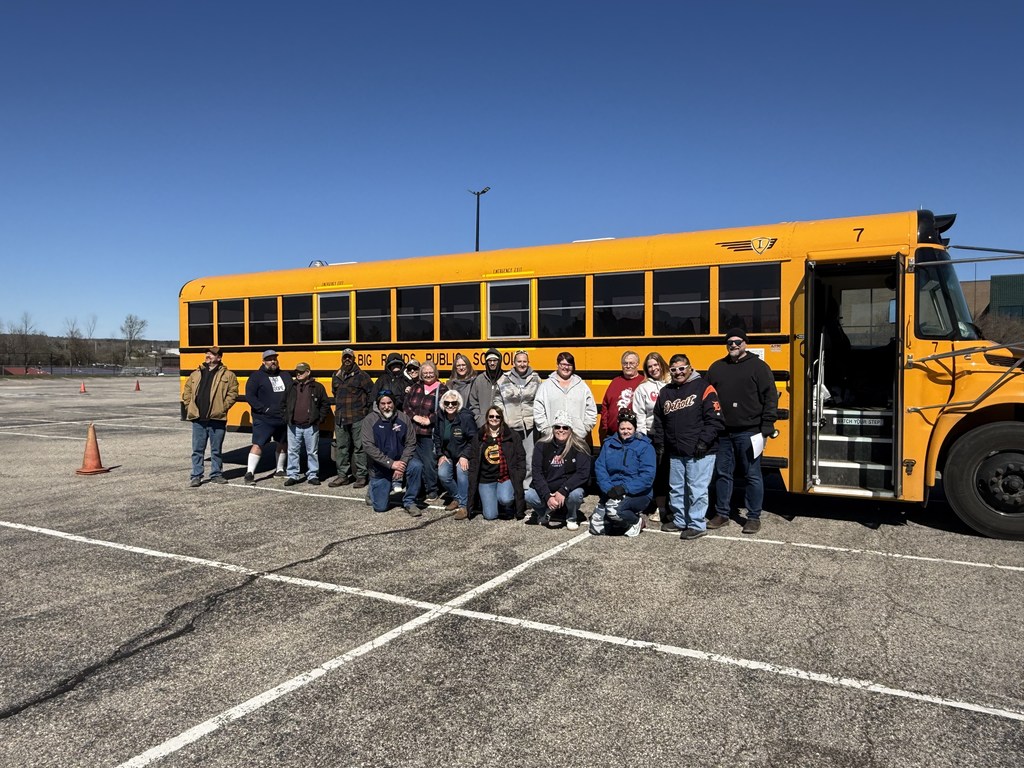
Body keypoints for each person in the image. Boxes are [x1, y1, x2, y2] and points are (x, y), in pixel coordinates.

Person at [706, 328, 778, 535]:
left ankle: (753, 517)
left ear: (745, 343)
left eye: (738, 342)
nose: (734, 345)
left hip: (750, 431)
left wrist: (767, 426)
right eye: (730, 342)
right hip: (723, 432)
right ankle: (722, 513)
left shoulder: (759, 367)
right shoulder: (717, 368)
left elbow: (770, 398)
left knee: (752, 474)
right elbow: (708, 397)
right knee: (722, 474)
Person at [650, 354, 723, 540]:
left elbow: (715, 419)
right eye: (674, 370)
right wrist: (660, 443)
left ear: (690, 368)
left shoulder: (704, 387)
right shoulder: (666, 391)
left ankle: (697, 524)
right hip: (676, 450)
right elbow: (658, 420)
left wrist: (704, 441)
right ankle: (680, 519)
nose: (678, 373)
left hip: (700, 451)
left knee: (696, 488)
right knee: (676, 488)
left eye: (682, 368)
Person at [590, 409, 656, 537]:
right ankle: (619, 520)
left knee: (614, 510)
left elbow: (647, 476)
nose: (626, 431)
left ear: (635, 428)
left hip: (637, 493)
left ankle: (636, 521)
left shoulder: (645, 446)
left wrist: (624, 488)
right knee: (596, 527)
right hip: (612, 490)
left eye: (629, 428)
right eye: (622, 428)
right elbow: (600, 467)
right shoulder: (609, 444)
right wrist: (608, 488)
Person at [525, 409, 591, 529]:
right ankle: (545, 512)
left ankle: (571, 516)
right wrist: (547, 496)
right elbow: (537, 473)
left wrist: (563, 490)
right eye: (557, 427)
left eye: (565, 427)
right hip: (549, 488)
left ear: (570, 430)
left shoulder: (580, 446)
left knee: (576, 495)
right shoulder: (541, 445)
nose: (561, 430)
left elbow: (583, 473)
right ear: (553, 429)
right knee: (529, 495)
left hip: (568, 488)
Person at [182, 346, 238, 487]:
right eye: (207, 353)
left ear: (219, 357)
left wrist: (222, 407)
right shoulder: (196, 373)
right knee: (197, 450)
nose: (208, 356)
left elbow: (233, 393)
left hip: (217, 419)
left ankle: (216, 474)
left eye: (212, 354)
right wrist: (189, 406)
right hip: (198, 419)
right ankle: (196, 476)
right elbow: (187, 391)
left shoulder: (228, 375)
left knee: (216, 450)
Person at [361, 390, 423, 516]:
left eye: (389, 403)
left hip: (401, 461)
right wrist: (390, 463)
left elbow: (411, 443)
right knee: (380, 507)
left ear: (394, 403)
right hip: (380, 466)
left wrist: (402, 464)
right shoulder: (369, 420)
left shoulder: (403, 418)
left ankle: (410, 501)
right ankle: (373, 488)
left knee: (417, 466)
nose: (386, 406)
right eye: (383, 403)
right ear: (378, 405)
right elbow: (368, 446)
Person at [631, 352, 671, 524]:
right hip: (652, 435)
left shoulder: (671, 382)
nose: (654, 368)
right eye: (650, 366)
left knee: (674, 473)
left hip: (673, 434)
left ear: (662, 364)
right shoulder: (643, 388)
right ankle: (660, 507)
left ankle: (675, 506)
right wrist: (641, 438)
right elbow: (639, 413)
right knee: (659, 473)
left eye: (656, 365)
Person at [467, 405, 526, 521]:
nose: (494, 419)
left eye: (497, 416)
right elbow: (473, 460)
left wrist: (519, 476)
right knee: (490, 516)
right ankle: (495, 502)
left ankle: (508, 505)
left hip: (504, 478)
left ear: (501, 419)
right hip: (486, 480)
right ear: (487, 418)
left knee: (506, 499)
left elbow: (521, 457)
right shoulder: (479, 437)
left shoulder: (511, 435)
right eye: (491, 416)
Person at [493, 349, 541, 485]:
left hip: (530, 426)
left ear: (528, 362)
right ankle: (512, 486)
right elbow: (497, 401)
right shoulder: (504, 379)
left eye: (524, 361)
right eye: (519, 361)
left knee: (529, 458)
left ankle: (526, 487)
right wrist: (504, 418)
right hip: (511, 426)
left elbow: (540, 400)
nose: (522, 364)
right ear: (514, 363)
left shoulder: (535, 379)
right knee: (512, 457)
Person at [244, 350, 291, 484]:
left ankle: (280, 469)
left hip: (282, 418)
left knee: (283, 443)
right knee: (258, 444)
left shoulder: (285, 375)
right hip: (263, 418)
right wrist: (263, 409)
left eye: (275, 359)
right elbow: (250, 396)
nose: (273, 361)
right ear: (263, 361)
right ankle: (250, 473)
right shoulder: (256, 376)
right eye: (269, 359)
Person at [403, 361, 447, 504]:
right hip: (413, 431)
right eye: (425, 372)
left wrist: (430, 420)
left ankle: (431, 490)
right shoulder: (416, 387)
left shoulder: (442, 389)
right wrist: (414, 417)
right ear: (421, 374)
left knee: (429, 462)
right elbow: (406, 405)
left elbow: (444, 409)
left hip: (429, 432)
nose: (428, 375)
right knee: (415, 462)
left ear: (436, 373)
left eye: (430, 372)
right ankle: (417, 490)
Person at [329, 348, 372, 488]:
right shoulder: (336, 375)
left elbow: (371, 394)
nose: (347, 359)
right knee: (342, 447)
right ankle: (342, 475)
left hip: (358, 417)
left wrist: (367, 412)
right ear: (342, 359)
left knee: (359, 447)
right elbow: (335, 393)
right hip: (341, 417)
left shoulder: (362, 376)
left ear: (354, 359)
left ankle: (361, 476)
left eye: (349, 357)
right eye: (345, 357)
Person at [282, 362, 331, 486]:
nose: (298, 374)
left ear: (308, 372)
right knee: (292, 451)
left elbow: (325, 404)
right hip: (294, 425)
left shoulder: (318, 387)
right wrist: (286, 417)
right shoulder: (291, 386)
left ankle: (313, 474)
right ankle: (293, 475)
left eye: (301, 372)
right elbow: (283, 403)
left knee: (312, 451)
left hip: (311, 425)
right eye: (297, 372)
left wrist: (319, 419)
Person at [533, 351, 597, 441]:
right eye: (562, 364)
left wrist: (584, 429)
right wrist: (547, 430)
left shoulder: (582, 386)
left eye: (569, 364)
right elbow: (538, 410)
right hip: (553, 439)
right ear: (557, 365)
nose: (566, 367)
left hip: (577, 438)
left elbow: (591, 410)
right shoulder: (546, 386)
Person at [433, 389, 477, 519]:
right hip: (447, 453)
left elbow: (473, 439)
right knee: (443, 474)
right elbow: (436, 437)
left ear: (458, 404)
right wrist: (440, 454)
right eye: (447, 403)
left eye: (454, 403)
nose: (450, 406)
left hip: (463, 453)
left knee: (461, 471)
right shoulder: (440, 417)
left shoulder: (466, 417)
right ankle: (456, 497)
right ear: (443, 404)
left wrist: (465, 456)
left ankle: (464, 506)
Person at [599, 350, 642, 439]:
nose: (628, 366)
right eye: (625, 363)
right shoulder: (615, 382)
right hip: (613, 435)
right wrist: (605, 427)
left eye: (631, 363)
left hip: (635, 436)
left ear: (637, 364)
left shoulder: (643, 382)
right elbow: (605, 405)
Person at [468, 347, 503, 428]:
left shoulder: (505, 379)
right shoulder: (479, 380)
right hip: (483, 426)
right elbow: (473, 403)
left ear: (499, 361)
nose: (492, 363)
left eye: (495, 360)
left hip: (501, 426)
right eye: (489, 361)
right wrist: (479, 420)